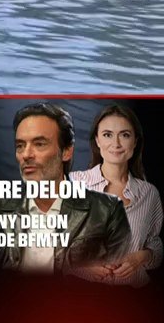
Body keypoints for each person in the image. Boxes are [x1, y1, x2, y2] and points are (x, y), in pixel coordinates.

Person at [0, 103, 133, 276]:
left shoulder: (108, 211)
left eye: (39, 144)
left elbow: (120, 286)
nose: (26, 154)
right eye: (20, 145)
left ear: (66, 152)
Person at [68, 104, 162, 287]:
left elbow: (156, 247)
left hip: (135, 300)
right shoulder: (73, 184)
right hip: (83, 300)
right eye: (107, 134)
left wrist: (141, 257)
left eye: (125, 135)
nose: (116, 144)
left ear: (135, 141)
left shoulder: (149, 193)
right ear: (97, 140)